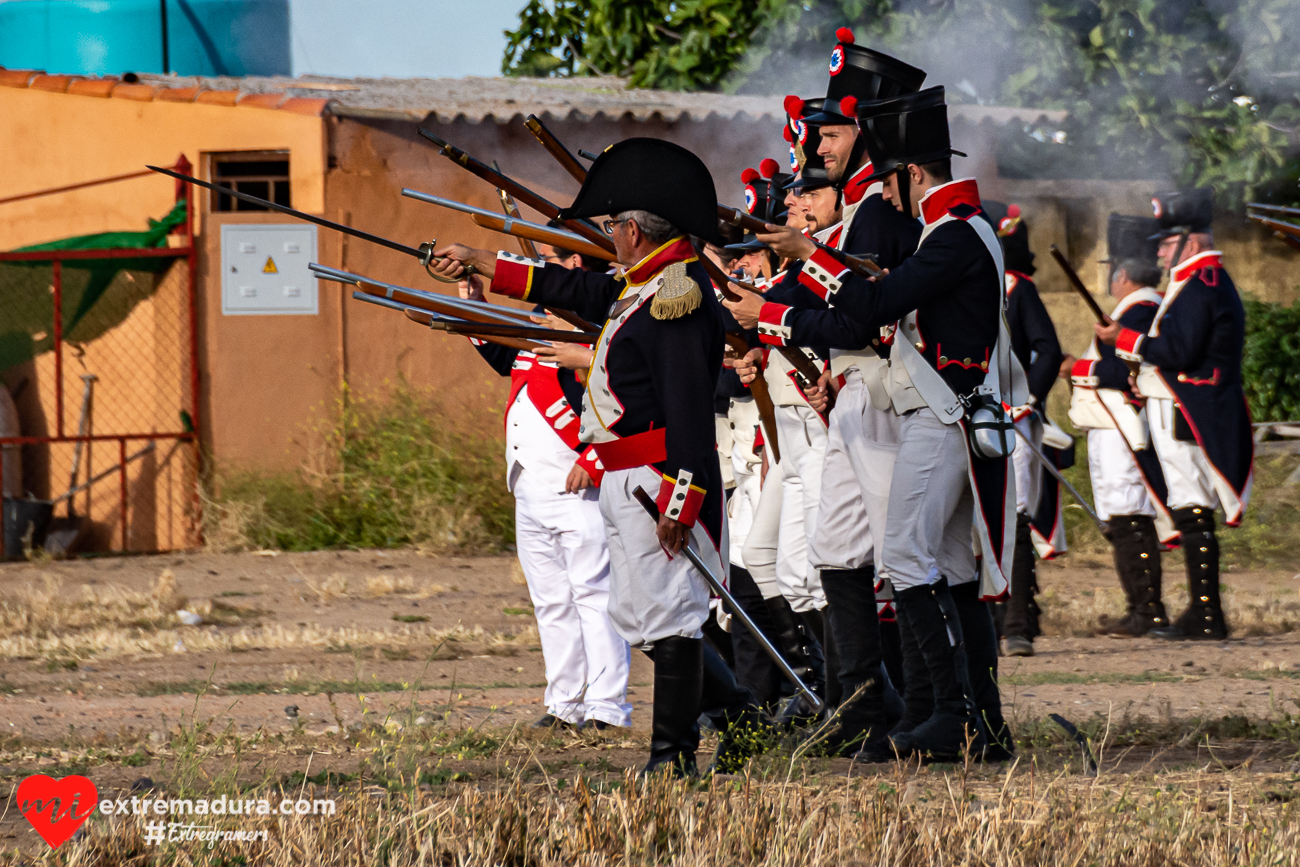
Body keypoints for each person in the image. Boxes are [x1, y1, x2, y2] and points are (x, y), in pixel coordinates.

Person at [431, 138, 762, 776]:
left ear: (634, 231)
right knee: (639, 617)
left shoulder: (675, 295)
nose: (609, 236)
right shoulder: (646, 283)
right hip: (628, 475)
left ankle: (672, 756)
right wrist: (481, 262)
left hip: (659, 477)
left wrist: (681, 499)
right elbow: (574, 288)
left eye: (612, 227)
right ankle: (741, 717)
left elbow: (687, 412)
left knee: (671, 619)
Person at [743, 86, 1021, 761]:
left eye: (892, 182)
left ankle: (953, 715)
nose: (887, 197)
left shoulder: (955, 233)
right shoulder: (952, 228)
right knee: (942, 564)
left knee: (904, 557)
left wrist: (805, 261)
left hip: (942, 411)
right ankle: (970, 721)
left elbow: (877, 303)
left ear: (912, 173)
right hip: (939, 409)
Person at [461, 245, 629, 732]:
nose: (540, 265)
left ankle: (606, 708)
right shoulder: (543, 319)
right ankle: (566, 703)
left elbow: (622, 396)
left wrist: (594, 459)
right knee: (552, 600)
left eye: (551, 256)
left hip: (577, 480)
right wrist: (474, 303)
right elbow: (505, 358)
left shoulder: (600, 324)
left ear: (575, 264)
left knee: (593, 595)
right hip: (529, 481)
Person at [1095, 188, 1254, 641]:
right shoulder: (1196, 283)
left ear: (1192, 241)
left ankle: (1206, 614)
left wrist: (1125, 340)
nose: (1161, 254)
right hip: (1180, 405)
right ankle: (1203, 611)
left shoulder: (1203, 284)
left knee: (1192, 508)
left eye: (1167, 243)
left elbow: (1180, 352)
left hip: (1190, 408)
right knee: (1189, 508)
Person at [1069, 213, 1175, 638]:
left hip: (1122, 427)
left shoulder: (1139, 309)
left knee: (1130, 514)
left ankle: (1146, 610)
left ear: (1123, 274)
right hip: (1113, 427)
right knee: (1124, 513)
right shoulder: (1138, 308)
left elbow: (1123, 370)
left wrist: (1076, 369)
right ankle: (1141, 608)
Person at [986, 203, 1065, 657]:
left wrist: (1027, 400)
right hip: (971, 416)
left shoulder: (1018, 289)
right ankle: (998, 618)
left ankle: (1017, 622)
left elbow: (1048, 349)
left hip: (1012, 419)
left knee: (1014, 517)